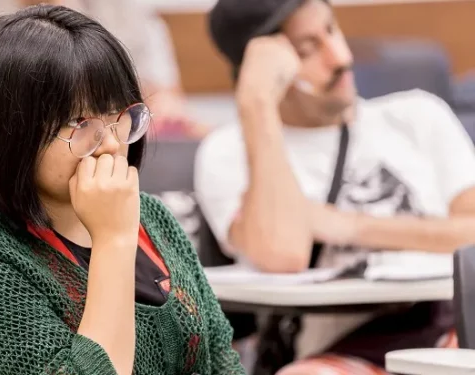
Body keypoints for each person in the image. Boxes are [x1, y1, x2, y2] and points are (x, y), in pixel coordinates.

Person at [0, 5, 245, 375]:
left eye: (117, 116)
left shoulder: (151, 217)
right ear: (12, 133)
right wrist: (111, 239)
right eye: (81, 123)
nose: (110, 145)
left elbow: (221, 361)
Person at [197, 0, 470, 373]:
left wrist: (346, 225)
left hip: (458, 327)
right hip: (348, 352)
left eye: (332, 30)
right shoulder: (228, 151)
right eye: (308, 48)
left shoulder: (418, 116)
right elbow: (282, 254)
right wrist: (257, 104)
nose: (340, 57)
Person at [0, 0, 209, 139]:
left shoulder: (125, 9)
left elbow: (166, 94)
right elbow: (0, 110)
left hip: (131, 131)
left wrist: (164, 105)